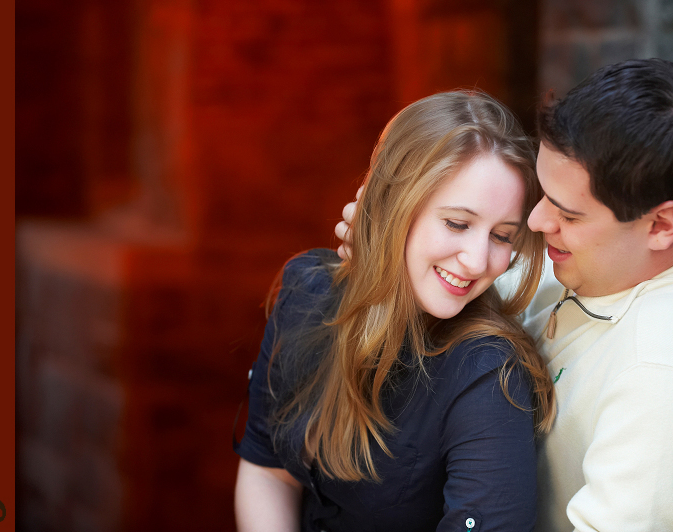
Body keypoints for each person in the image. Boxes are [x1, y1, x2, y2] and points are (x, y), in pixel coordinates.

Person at [335, 59, 673, 531]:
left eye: (568, 215)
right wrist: (401, 249)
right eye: (544, 191)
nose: (535, 222)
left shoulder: (668, 394)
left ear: (661, 225)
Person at [234, 90, 556, 532]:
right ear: (393, 205)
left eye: (502, 236)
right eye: (457, 224)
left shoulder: (488, 374)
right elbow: (267, 471)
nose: (479, 262)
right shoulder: (307, 291)